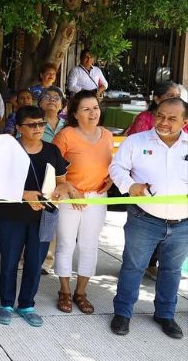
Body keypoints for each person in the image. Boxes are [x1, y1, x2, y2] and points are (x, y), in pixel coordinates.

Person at [109, 97, 188, 339]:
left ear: (184, 122)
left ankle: (165, 314)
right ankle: (123, 313)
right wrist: (130, 185)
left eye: (172, 118)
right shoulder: (136, 141)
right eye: (160, 115)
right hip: (144, 218)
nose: (163, 122)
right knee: (133, 266)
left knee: (172, 270)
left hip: (182, 222)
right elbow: (116, 168)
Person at [0, 106, 72, 328]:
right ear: (19, 128)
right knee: (9, 261)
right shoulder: (8, 151)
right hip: (11, 216)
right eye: (32, 124)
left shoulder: (52, 150)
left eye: (41, 123)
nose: (38, 128)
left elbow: (62, 181)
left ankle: (27, 304)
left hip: (44, 216)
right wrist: (23, 194)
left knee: (35, 262)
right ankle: (6, 304)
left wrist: (62, 191)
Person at [51, 90, 113, 315]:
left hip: (96, 198)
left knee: (89, 245)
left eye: (95, 107)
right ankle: (65, 291)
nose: (92, 112)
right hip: (69, 198)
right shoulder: (66, 135)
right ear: (75, 114)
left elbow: (111, 164)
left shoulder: (106, 135)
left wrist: (111, 178)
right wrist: (69, 188)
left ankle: (81, 292)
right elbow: (53, 166)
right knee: (66, 244)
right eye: (86, 109)